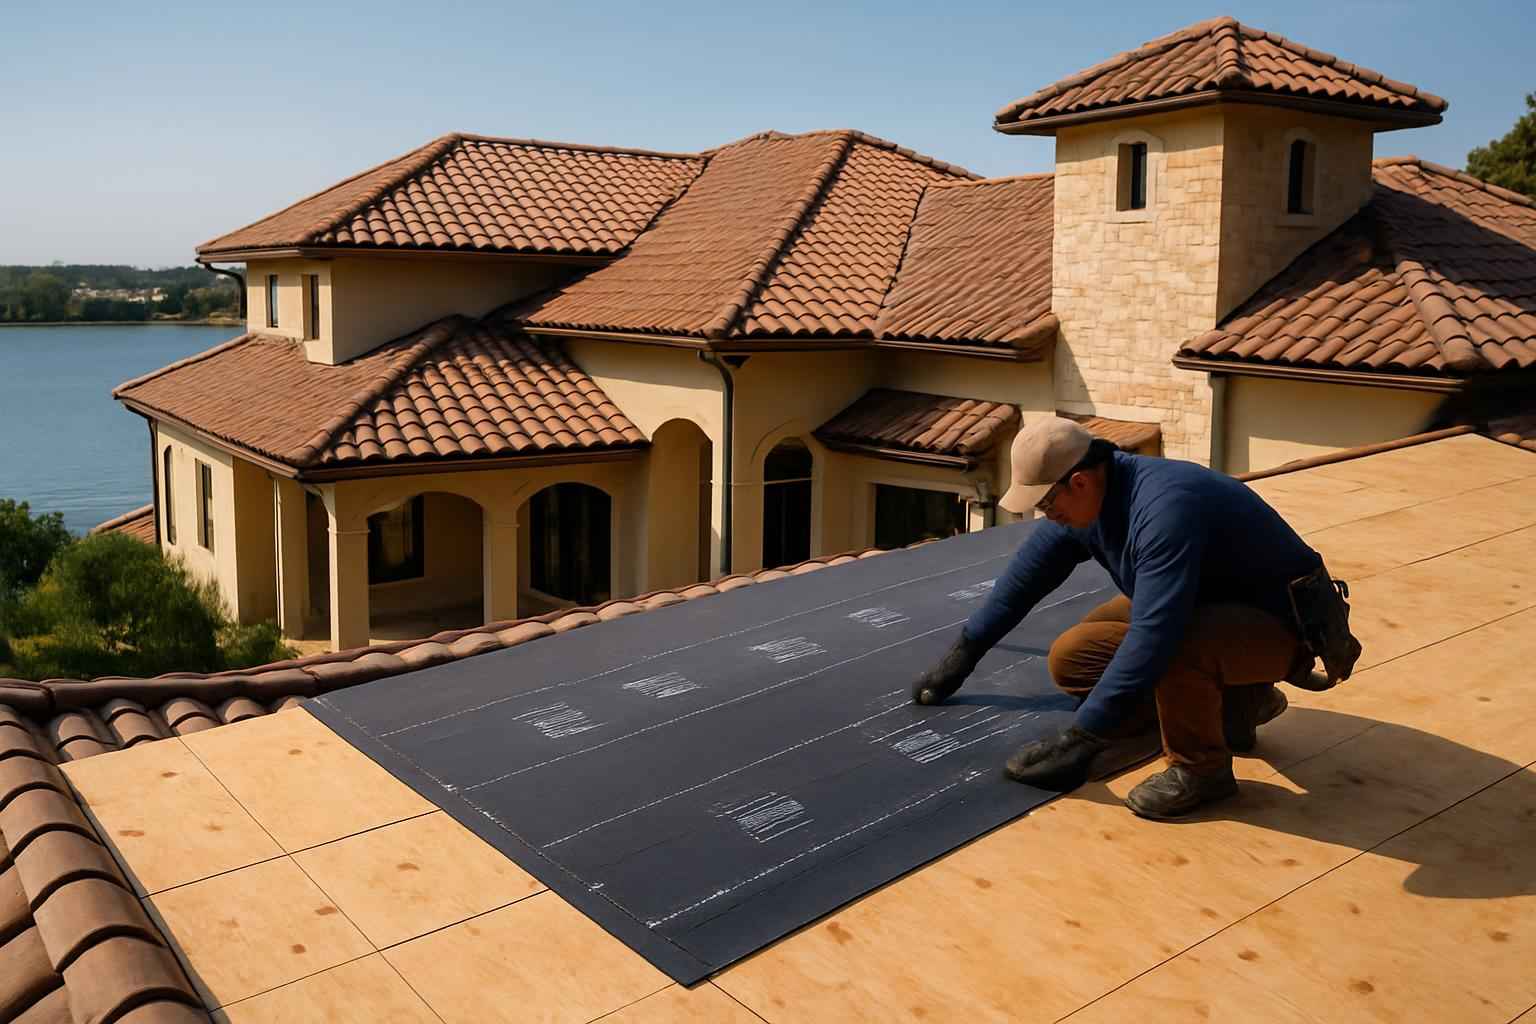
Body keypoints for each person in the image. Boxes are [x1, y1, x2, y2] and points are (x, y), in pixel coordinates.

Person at [912, 416, 1334, 820]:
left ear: (1077, 482)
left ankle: (1202, 770)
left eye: (1045, 503)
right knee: (1073, 657)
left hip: (1279, 625)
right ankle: (1235, 707)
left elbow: (1156, 635)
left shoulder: (1163, 509)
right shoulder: (1090, 495)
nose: (1046, 515)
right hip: (1209, 603)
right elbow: (1026, 577)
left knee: (1174, 644)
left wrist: (1082, 739)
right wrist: (965, 651)